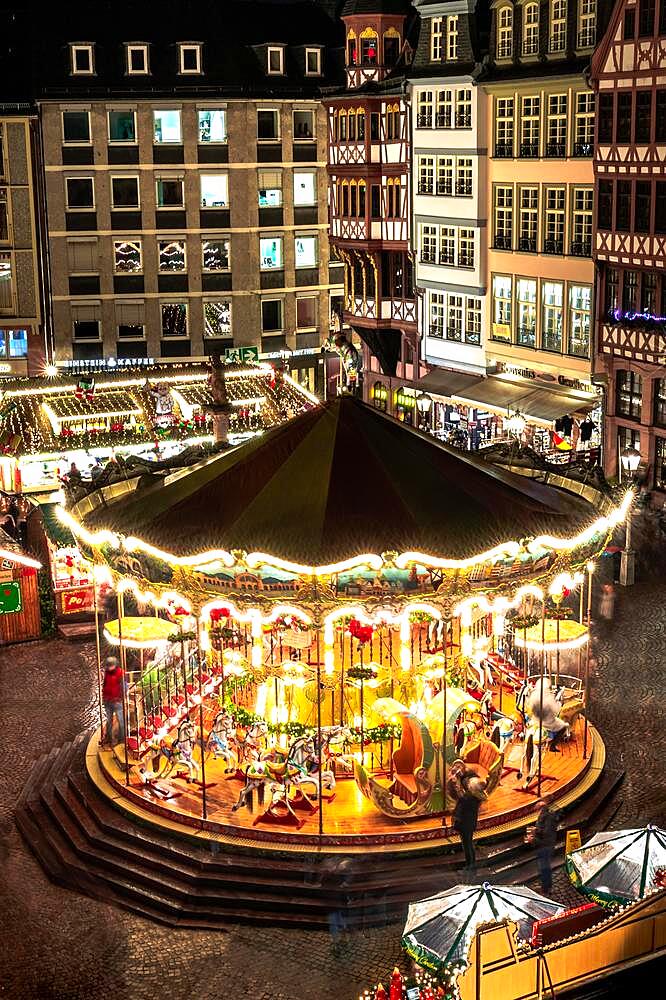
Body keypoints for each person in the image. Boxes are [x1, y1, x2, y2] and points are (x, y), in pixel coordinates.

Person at [453, 775, 487, 872]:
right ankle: (472, 863)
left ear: (471, 787)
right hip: (470, 823)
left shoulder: (468, 797)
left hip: (465, 824)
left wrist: (456, 785)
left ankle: (470, 866)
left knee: (467, 845)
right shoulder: (476, 796)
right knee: (469, 844)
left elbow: (460, 800)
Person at [533, 798, 558, 893]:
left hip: (545, 846)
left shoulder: (548, 817)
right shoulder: (545, 815)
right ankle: (545, 886)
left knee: (544, 867)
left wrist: (535, 832)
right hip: (544, 845)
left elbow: (546, 833)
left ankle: (546, 888)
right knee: (543, 866)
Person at [102, 656, 125, 746]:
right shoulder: (107, 673)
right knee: (109, 720)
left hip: (117, 701)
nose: (108, 668)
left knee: (121, 720)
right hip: (108, 700)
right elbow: (105, 684)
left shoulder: (120, 673)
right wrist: (104, 696)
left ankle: (121, 739)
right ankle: (108, 738)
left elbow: (123, 686)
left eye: (110, 666)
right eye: (108, 666)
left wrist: (120, 697)